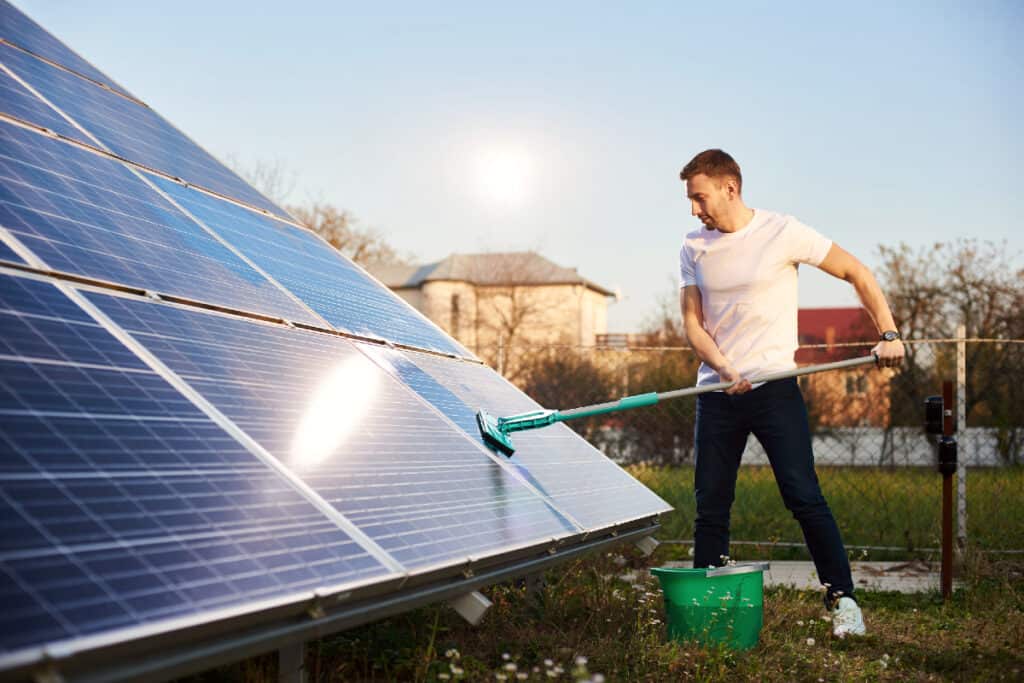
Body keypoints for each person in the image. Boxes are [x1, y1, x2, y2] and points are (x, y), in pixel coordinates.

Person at [677, 149, 905, 638]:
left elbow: (857, 274)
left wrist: (888, 334)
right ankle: (707, 609)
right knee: (711, 504)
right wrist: (722, 365)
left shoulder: (783, 232)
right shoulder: (693, 245)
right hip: (717, 392)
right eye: (691, 201)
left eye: (699, 197)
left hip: (776, 388)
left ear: (729, 188)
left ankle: (843, 601)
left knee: (803, 496)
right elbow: (692, 324)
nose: (695, 210)